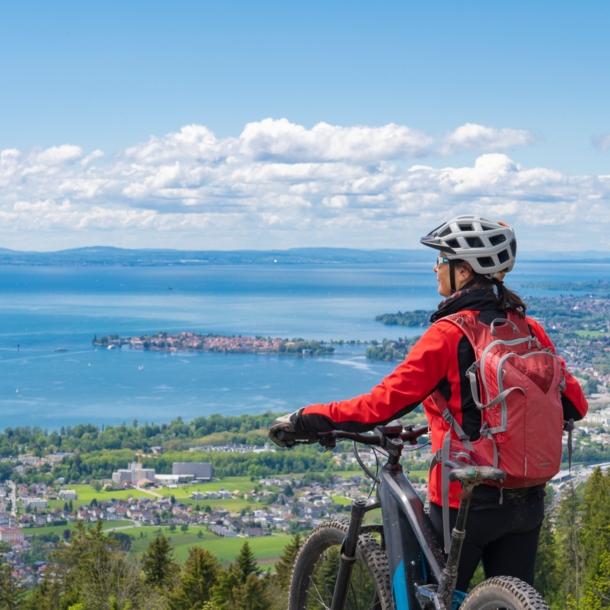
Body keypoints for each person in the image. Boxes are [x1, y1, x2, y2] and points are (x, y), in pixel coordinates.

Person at [268, 215, 587, 593]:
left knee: (426, 598)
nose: (435, 267)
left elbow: (379, 406)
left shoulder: (449, 334)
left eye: (441, 259)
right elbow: (575, 405)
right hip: (528, 500)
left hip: (465, 502)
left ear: (464, 270)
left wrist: (309, 418)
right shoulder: (530, 329)